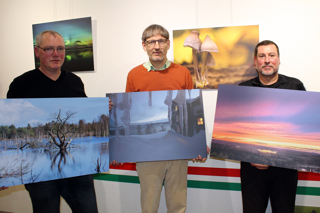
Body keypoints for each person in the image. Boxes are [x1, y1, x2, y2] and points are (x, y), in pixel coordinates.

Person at [7, 30, 98, 213]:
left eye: (60, 48)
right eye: (49, 49)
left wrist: (103, 108)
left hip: (77, 170)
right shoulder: (21, 84)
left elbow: (85, 115)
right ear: (37, 51)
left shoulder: (75, 81)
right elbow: (12, 123)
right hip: (40, 172)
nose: (56, 54)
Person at [124, 24, 207, 213]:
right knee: (149, 204)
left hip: (178, 148)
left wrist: (198, 142)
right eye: (151, 42)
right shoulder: (134, 74)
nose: (156, 46)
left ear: (168, 44)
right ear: (144, 46)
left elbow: (192, 109)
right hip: (146, 151)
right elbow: (129, 113)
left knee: (178, 204)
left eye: (161, 41)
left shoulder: (183, 73)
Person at [239, 40, 306, 213]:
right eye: (262, 56)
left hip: (285, 170)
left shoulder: (295, 87)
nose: (267, 60)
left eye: (271, 55)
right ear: (255, 62)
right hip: (252, 169)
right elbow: (236, 130)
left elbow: (304, 128)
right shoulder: (242, 90)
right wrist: (249, 156)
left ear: (279, 59)